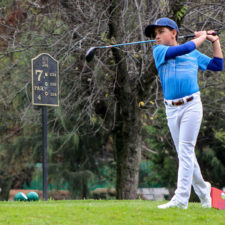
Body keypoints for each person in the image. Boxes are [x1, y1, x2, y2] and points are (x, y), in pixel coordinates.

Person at [144, 17, 223, 209]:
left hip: (191, 106)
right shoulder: (160, 51)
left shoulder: (193, 53)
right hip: (171, 108)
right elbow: (185, 49)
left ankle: (181, 199)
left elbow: (217, 65)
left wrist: (215, 42)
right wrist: (202, 37)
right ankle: (205, 192)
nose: (157, 37)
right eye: (155, 34)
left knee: (186, 150)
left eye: (161, 32)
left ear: (174, 33)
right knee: (184, 153)